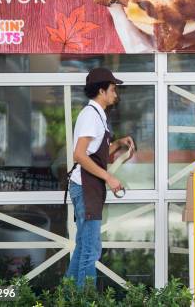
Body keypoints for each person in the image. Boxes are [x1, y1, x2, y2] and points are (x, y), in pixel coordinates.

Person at [63, 67, 135, 288]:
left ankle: (69, 299)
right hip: (85, 188)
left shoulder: (97, 116)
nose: (116, 94)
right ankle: (86, 300)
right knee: (90, 249)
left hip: (87, 188)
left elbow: (95, 151)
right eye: (113, 89)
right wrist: (109, 178)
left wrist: (118, 144)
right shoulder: (90, 115)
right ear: (102, 91)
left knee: (85, 246)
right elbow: (79, 155)